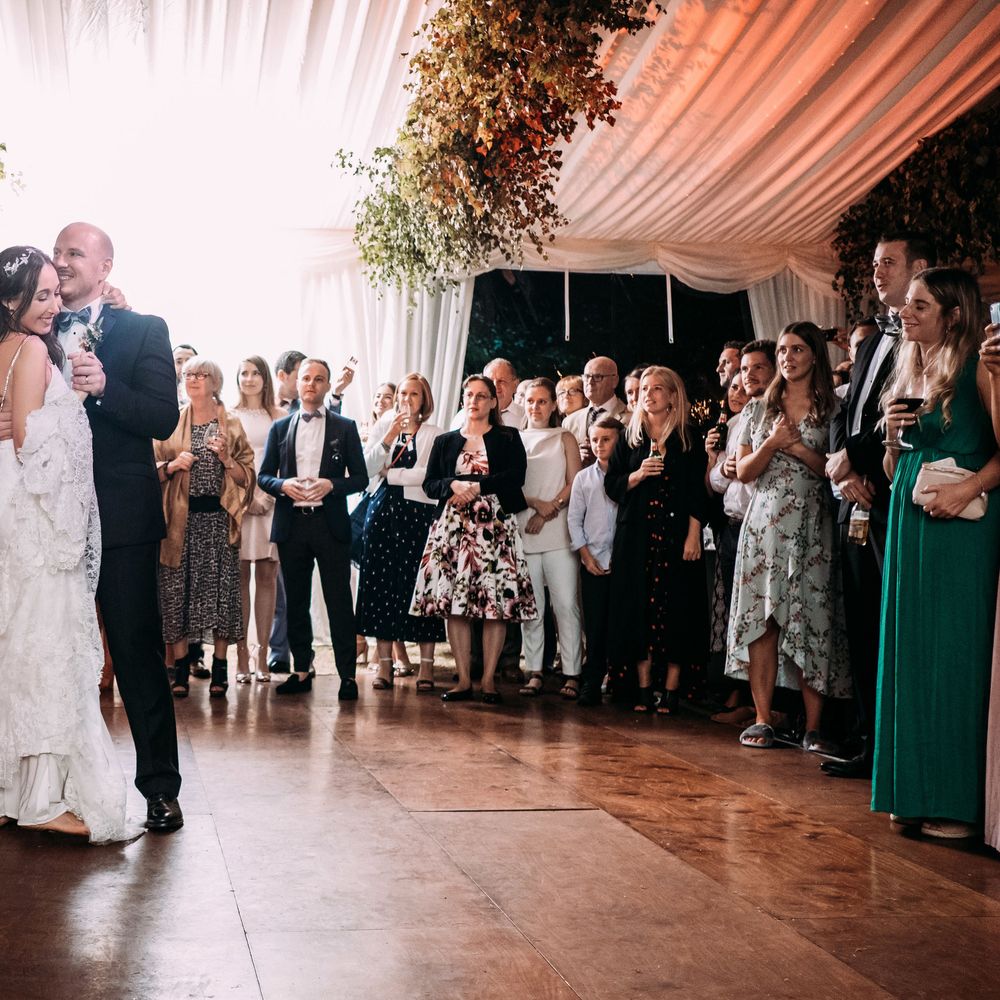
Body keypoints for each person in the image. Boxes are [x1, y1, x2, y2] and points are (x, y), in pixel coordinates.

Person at [46, 222, 183, 832]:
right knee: (52, 651)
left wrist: (106, 388)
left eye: (74, 253)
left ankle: (159, 787)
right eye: (57, 253)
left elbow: (160, 415)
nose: (62, 262)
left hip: (122, 517)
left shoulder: (142, 329)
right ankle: (50, 789)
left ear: (105, 267)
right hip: (46, 516)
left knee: (134, 651)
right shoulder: (32, 328)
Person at [0, 245, 139, 842]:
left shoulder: (11, 346)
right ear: (12, 301)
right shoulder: (30, 349)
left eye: (58, 293)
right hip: (39, 526)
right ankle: (39, 799)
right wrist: (76, 402)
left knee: (20, 649)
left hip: (20, 515)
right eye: (42, 296)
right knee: (42, 652)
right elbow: (35, 449)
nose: (55, 306)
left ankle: (13, 790)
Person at [873, 268, 1000, 840]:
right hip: (910, 520)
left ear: (953, 313)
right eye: (909, 304)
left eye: (920, 305)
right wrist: (891, 438)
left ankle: (955, 802)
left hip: (961, 527)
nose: (906, 311)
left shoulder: (982, 365)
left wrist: (967, 489)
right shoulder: (911, 368)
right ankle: (910, 790)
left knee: (954, 655)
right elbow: (893, 468)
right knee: (909, 652)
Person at [825, 232, 936, 779]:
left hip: (895, 494)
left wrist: (857, 461)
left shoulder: (922, 343)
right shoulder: (869, 342)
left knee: (893, 621)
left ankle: (889, 745)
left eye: (888, 263)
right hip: (856, 498)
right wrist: (843, 474)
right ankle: (867, 739)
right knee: (861, 621)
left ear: (919, 267)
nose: (876, 271)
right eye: (874, 263)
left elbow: (902, 417)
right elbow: (843, 418)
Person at [727, 323, 850, 750]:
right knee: (763, 623)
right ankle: (763, 718)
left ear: (815, 355)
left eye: (797, 349)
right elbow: (743, 472)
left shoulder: (833, 408)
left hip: (812, 524)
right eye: (782, 350)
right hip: (763, 524)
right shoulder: (758, 410)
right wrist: (773, 443)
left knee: (813, 621)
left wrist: (798, 450)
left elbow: (835, 470)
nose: (787, 357)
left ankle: (813, 727)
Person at [412, 374, 537, 703]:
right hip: (454, 527)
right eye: (469, 394)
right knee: (455, 604)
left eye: (482, 396)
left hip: (494, 526)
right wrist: (453, 485)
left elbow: (516, 477)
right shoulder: (446, 440)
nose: (474, 400)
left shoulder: (508, 437)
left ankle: (488, 681)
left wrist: (478, 487)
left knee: (494, 604)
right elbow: (430, 484)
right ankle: (464, 679)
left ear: (493, 402)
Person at [258, 359, 368, 697]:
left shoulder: (344, 427)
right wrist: (283, 485)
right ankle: (302, 671)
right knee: (296, 602)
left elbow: (361, 478)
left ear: (327, 384)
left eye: (319, 379)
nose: (311, 384)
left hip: (329, 524)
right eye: (306, 378)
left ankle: (347, 676)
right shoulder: (280, 428)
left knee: (338, 601)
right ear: (297, 382)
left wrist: (331, 485)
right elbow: (264, 476)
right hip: (292, 525)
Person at [605, 366, 708, 713]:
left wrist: (694, 536)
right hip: (636, 537)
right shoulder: (629, 437)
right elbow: (612, 485)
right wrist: (635, 476)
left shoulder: (688, 438)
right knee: (637, 607)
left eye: (658, 388)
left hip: (677, 536)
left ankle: (673, 689)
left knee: (677, 607)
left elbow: (697, 493)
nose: (648, 394)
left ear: (673, 396)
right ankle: (644, 688)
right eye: (645, 388)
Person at [155, 359, 254, 698]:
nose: (193, 380)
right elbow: (150, 468)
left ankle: (221, 668)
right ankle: (180, 668)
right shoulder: (170, 423)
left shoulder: (232, 425)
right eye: (188, 375)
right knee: (176, 594)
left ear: (216, 382)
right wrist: (171, 466)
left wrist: (227, 459)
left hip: (217, 522)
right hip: (179, 523)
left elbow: (247, 478)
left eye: (201, 375)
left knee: (220, 596)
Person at [356, 374, 445, 691]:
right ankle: (384, 666)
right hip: (382, 515)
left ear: (425, 400)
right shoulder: (384, 426)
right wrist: (388, 436)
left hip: (419, 517)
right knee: (381, 587)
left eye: (414, 394)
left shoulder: (435, 434)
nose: (407, 399)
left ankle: (427, 667)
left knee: (420, 589)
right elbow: (365, 468)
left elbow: (429, 476)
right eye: (403, 393)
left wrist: (391, 474)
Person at [517, 378, 583, 699]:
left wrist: (549, 509)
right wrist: (533, 505)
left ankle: (572, 672)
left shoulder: (564, 437)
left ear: (553, 405)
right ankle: (534, 670)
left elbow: (576, 481)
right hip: (524, 526)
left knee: (565, 603)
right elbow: (510, 484)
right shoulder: (514, 439)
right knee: (532, 606)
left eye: (542, 401)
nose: (536, 407)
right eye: (531, 401)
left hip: (558, 529)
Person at [232, 356, 285, 683]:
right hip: (238, 505)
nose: (249, 379)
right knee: (238, 581)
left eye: (255, 373)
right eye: (244, 373)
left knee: (267, 578)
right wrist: (246, 498)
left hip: (271, 504)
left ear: (265, 379)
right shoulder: (229, 415)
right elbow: (226, 462)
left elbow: (285, 462)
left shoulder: (279, 415)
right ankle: (240, 657)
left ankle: (262, 654)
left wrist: (267, 496)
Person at [568, 418, 621, 706]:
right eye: (595, 440)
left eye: (606, 439)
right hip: (593, 561)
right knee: (595, 624)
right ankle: (592, 679)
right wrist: (585, 556)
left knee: (619, 623)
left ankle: (617, 679)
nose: (600, 446)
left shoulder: (628, 475)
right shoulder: (584, 478)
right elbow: (574, 520)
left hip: (622, 561)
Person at [562, 356, 629, 464]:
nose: (590, 382)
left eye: (597, 377)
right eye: (586, 376)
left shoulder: (631, 419)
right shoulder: (569, 422)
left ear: (614, 381)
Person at [450, 358, 524, 429]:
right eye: (490, 381)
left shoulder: (525, 417)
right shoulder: (463, 417)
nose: (495, 386)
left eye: (501, 381)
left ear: (515, 385)